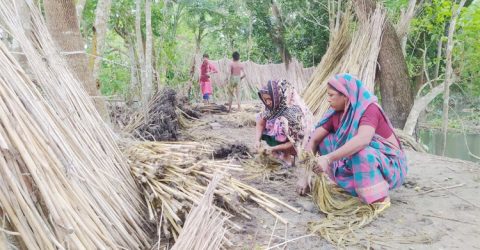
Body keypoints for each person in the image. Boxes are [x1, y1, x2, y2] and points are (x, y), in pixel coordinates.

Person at [296, 73, 408, 206]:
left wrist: (328, 158)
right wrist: (305, 177)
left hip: (390, 166)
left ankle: (377, 198)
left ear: (345, 95)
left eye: (331, 95)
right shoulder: (336, 113)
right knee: (325, 140)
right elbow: (313, 140)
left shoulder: (369, 109)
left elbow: (363, 140)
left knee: (361, 152)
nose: (328, 99)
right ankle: (355, 187)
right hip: (359, 161)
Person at [255, 80, 306, 166]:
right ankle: (279, 153)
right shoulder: (269, 109)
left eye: (269, 99)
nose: (267, 102)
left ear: (276, 97)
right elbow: (260, 123)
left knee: (280, 125)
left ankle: (288, 155)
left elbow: (297, 141)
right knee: (269, 124)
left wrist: (274, 148)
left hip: (297, 142)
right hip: (283, 140)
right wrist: (257, 140)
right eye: (265, 99)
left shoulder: (291, 113)